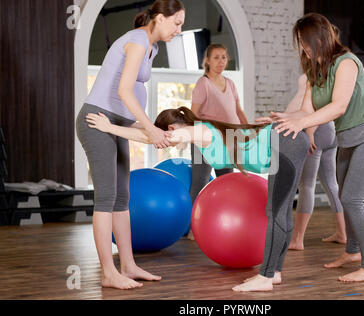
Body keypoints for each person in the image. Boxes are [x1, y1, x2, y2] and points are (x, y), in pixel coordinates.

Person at [84, 106, 311, 292]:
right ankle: (275, 272)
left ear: (172, 128)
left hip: (283, 142)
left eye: (166, 135)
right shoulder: (204, 130)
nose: (167, 143)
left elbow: (148, 137)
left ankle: (266, 277)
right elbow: (148, 131)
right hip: (286, 140)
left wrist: (109, 127)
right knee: (281, 211)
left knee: (276, 212)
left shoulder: (197, 132)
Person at [270, 13, 364, 282]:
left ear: (320, 38)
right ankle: (352, 252)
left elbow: (338, 106)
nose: (303, 47)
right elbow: (306, 109)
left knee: (352, 198)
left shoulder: (346, 63)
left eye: (306, 41)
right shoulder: (315, 70)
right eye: (300, 42)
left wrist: (302, 120)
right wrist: (285, 118)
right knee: (344, 197)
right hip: (348, 139)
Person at [75, 0, 185, 290]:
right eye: (177, 23)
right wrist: (149, 127)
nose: (179, 29)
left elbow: (127, 96)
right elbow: (124, 90)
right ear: (160, 18)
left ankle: (129, 264)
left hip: (117, 124)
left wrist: (143, 127)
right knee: (107, 197)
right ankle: (108, 273)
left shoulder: (153, 46)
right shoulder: (137, 41)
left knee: (122, 198)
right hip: (97, 121)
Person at [276, 74, 346, 250]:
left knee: (306, 185)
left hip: (315, 130)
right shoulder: (327, 70)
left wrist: (309, 132)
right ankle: (342, 233)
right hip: (329, 129)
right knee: (331, 183)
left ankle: (297, 239)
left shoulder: (317, 70)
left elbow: (315, 105)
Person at [188, 44, 249, 236]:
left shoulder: (230, 83)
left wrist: (248, 130)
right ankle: (190, 227)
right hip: (205, 139)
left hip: (228, 139)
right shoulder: (203, 83)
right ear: (207, 60)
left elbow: (238, 111)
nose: (220, 61)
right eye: (216, 57)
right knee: (200, 181)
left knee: (226, 181)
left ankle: (225, 223)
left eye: (223, 57)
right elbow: (193, 115)